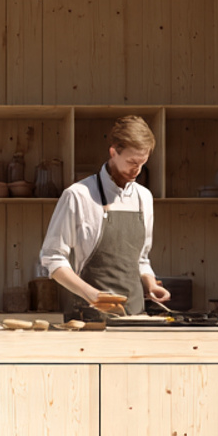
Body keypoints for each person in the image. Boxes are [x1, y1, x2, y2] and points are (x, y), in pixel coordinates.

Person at [39, 115, 170, 319]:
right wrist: (91, 294)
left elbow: (141, 259)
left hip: (136, 318)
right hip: (92, 320)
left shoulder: (144, 197)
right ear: (113, 152)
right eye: (131, 162)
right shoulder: (78, 195)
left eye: (142, 163)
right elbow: (52, 259)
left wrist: (151, 284)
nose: (137, 170)